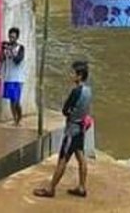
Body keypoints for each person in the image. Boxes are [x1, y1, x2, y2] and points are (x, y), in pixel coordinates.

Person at [34, 60, 92, 199]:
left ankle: (51, 188)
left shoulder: (75, 91)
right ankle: (82, 187)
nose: (71, 75)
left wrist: (70, 112)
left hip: (72, 129)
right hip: (81, 129)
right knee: (81, 157)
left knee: (63, 159)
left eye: (73, 73)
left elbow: (65, 110)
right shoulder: (88, 91)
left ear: (79, 76)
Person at [1, 27, 25, 126]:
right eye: (10, 37)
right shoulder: (5, 47)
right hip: (8, 77)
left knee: (16, 101)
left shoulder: (21, 48)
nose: (11, 39)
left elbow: (17, 60)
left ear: (17, 38)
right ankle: (15, 119)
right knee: (11, 101)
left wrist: (11, 51)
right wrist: (3, 50)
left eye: (13, 37)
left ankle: (19, 118)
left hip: (18, 78)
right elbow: (1, 59)